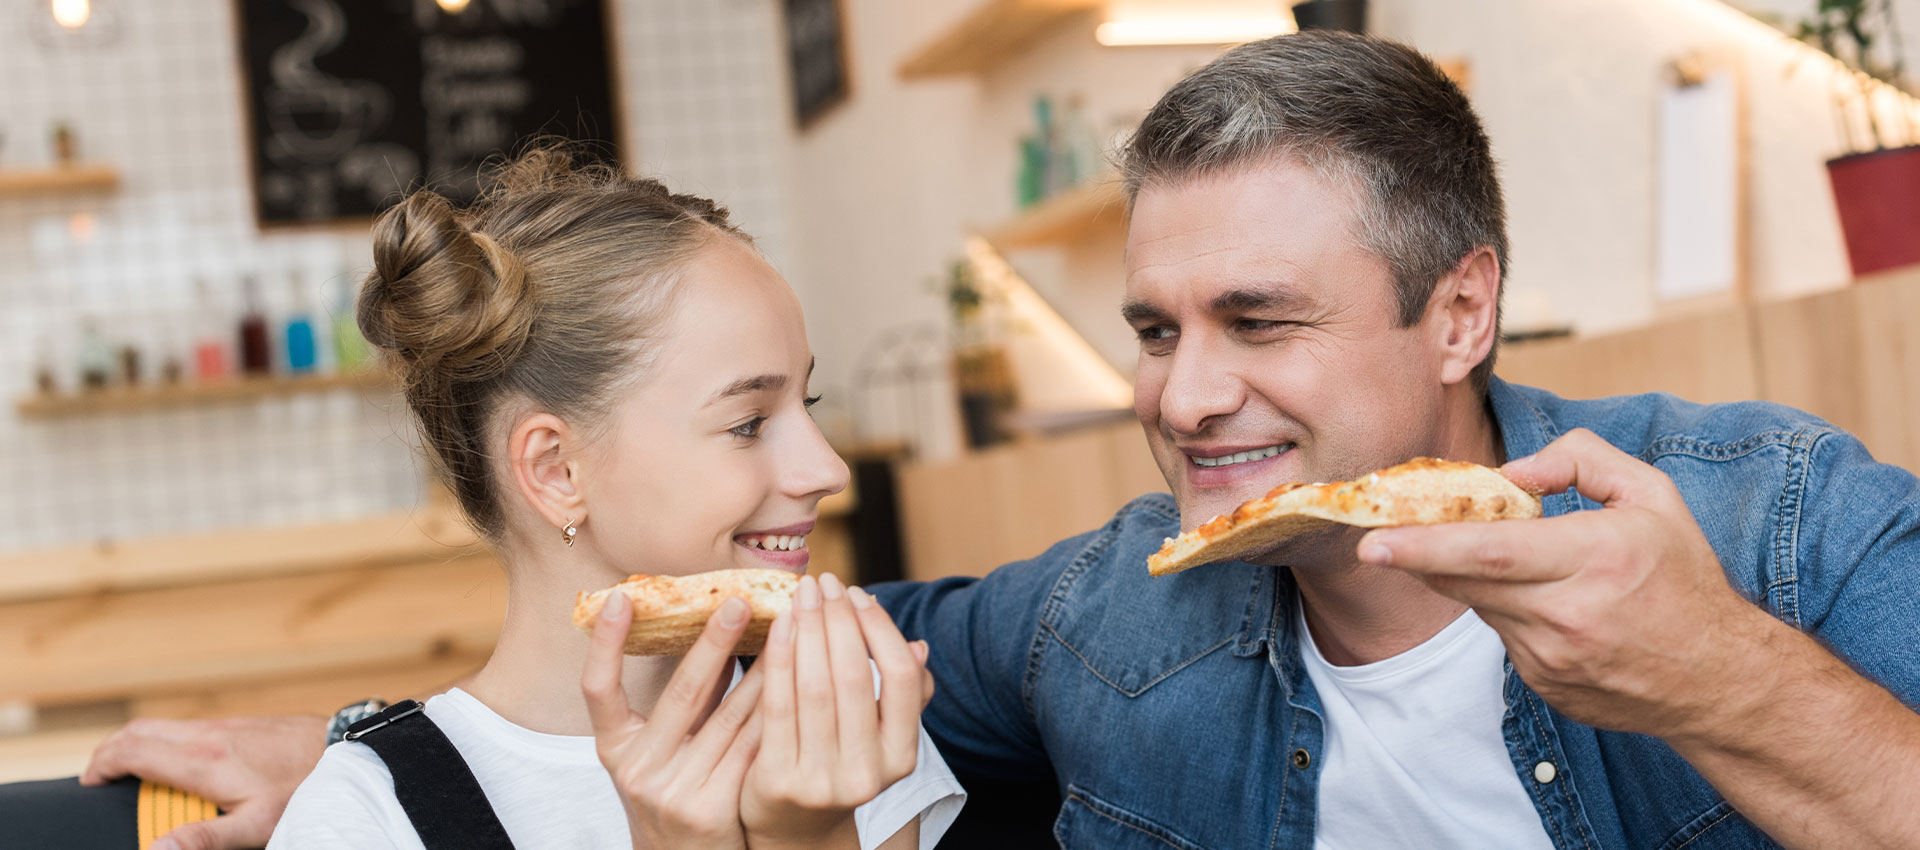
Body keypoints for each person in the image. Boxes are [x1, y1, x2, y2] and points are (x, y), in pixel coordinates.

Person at [72, 31, 1920, 850]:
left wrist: (1726, 683)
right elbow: (712, 650)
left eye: (1260, 324)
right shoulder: (1099, 624)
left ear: (1461, 311)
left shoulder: (1768, 522)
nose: (1186, 399)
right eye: (1153, 328)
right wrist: (364, 754)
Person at [257, 152, 964, 849]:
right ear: (558, 471)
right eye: (748, 423)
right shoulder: (365, 818)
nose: (828, 468)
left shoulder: (838, 714)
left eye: (804, 403)